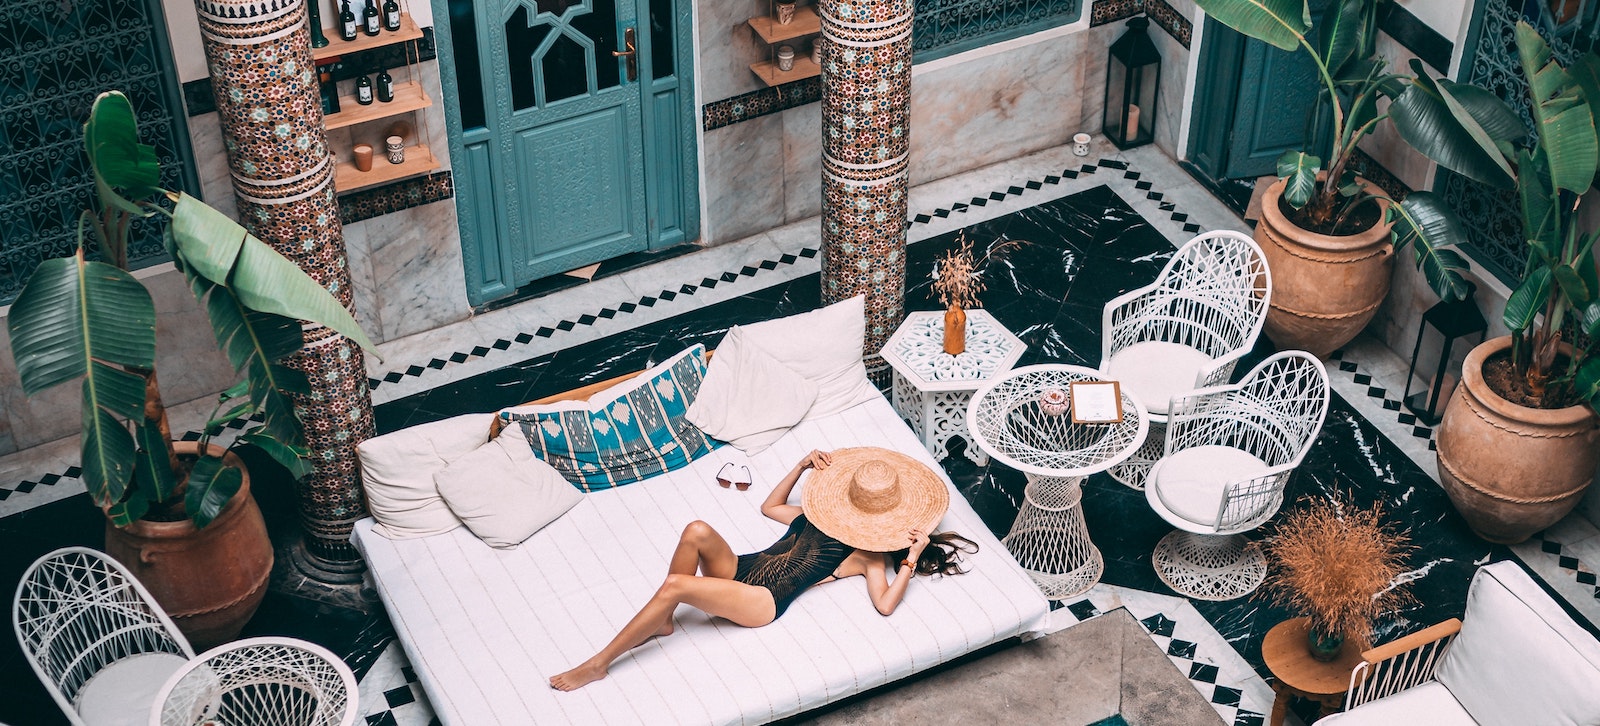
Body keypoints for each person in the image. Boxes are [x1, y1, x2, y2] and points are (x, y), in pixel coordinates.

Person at [549, 446, 978, 691]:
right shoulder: (820, 515)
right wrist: (800, 466)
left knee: (678, 586)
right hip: (742, 568)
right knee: (696, 529)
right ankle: (662, 624)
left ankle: (600, 662)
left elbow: (885, 605)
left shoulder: (868, 556)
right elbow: (768, 507)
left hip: (763, 601)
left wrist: (912, 557)